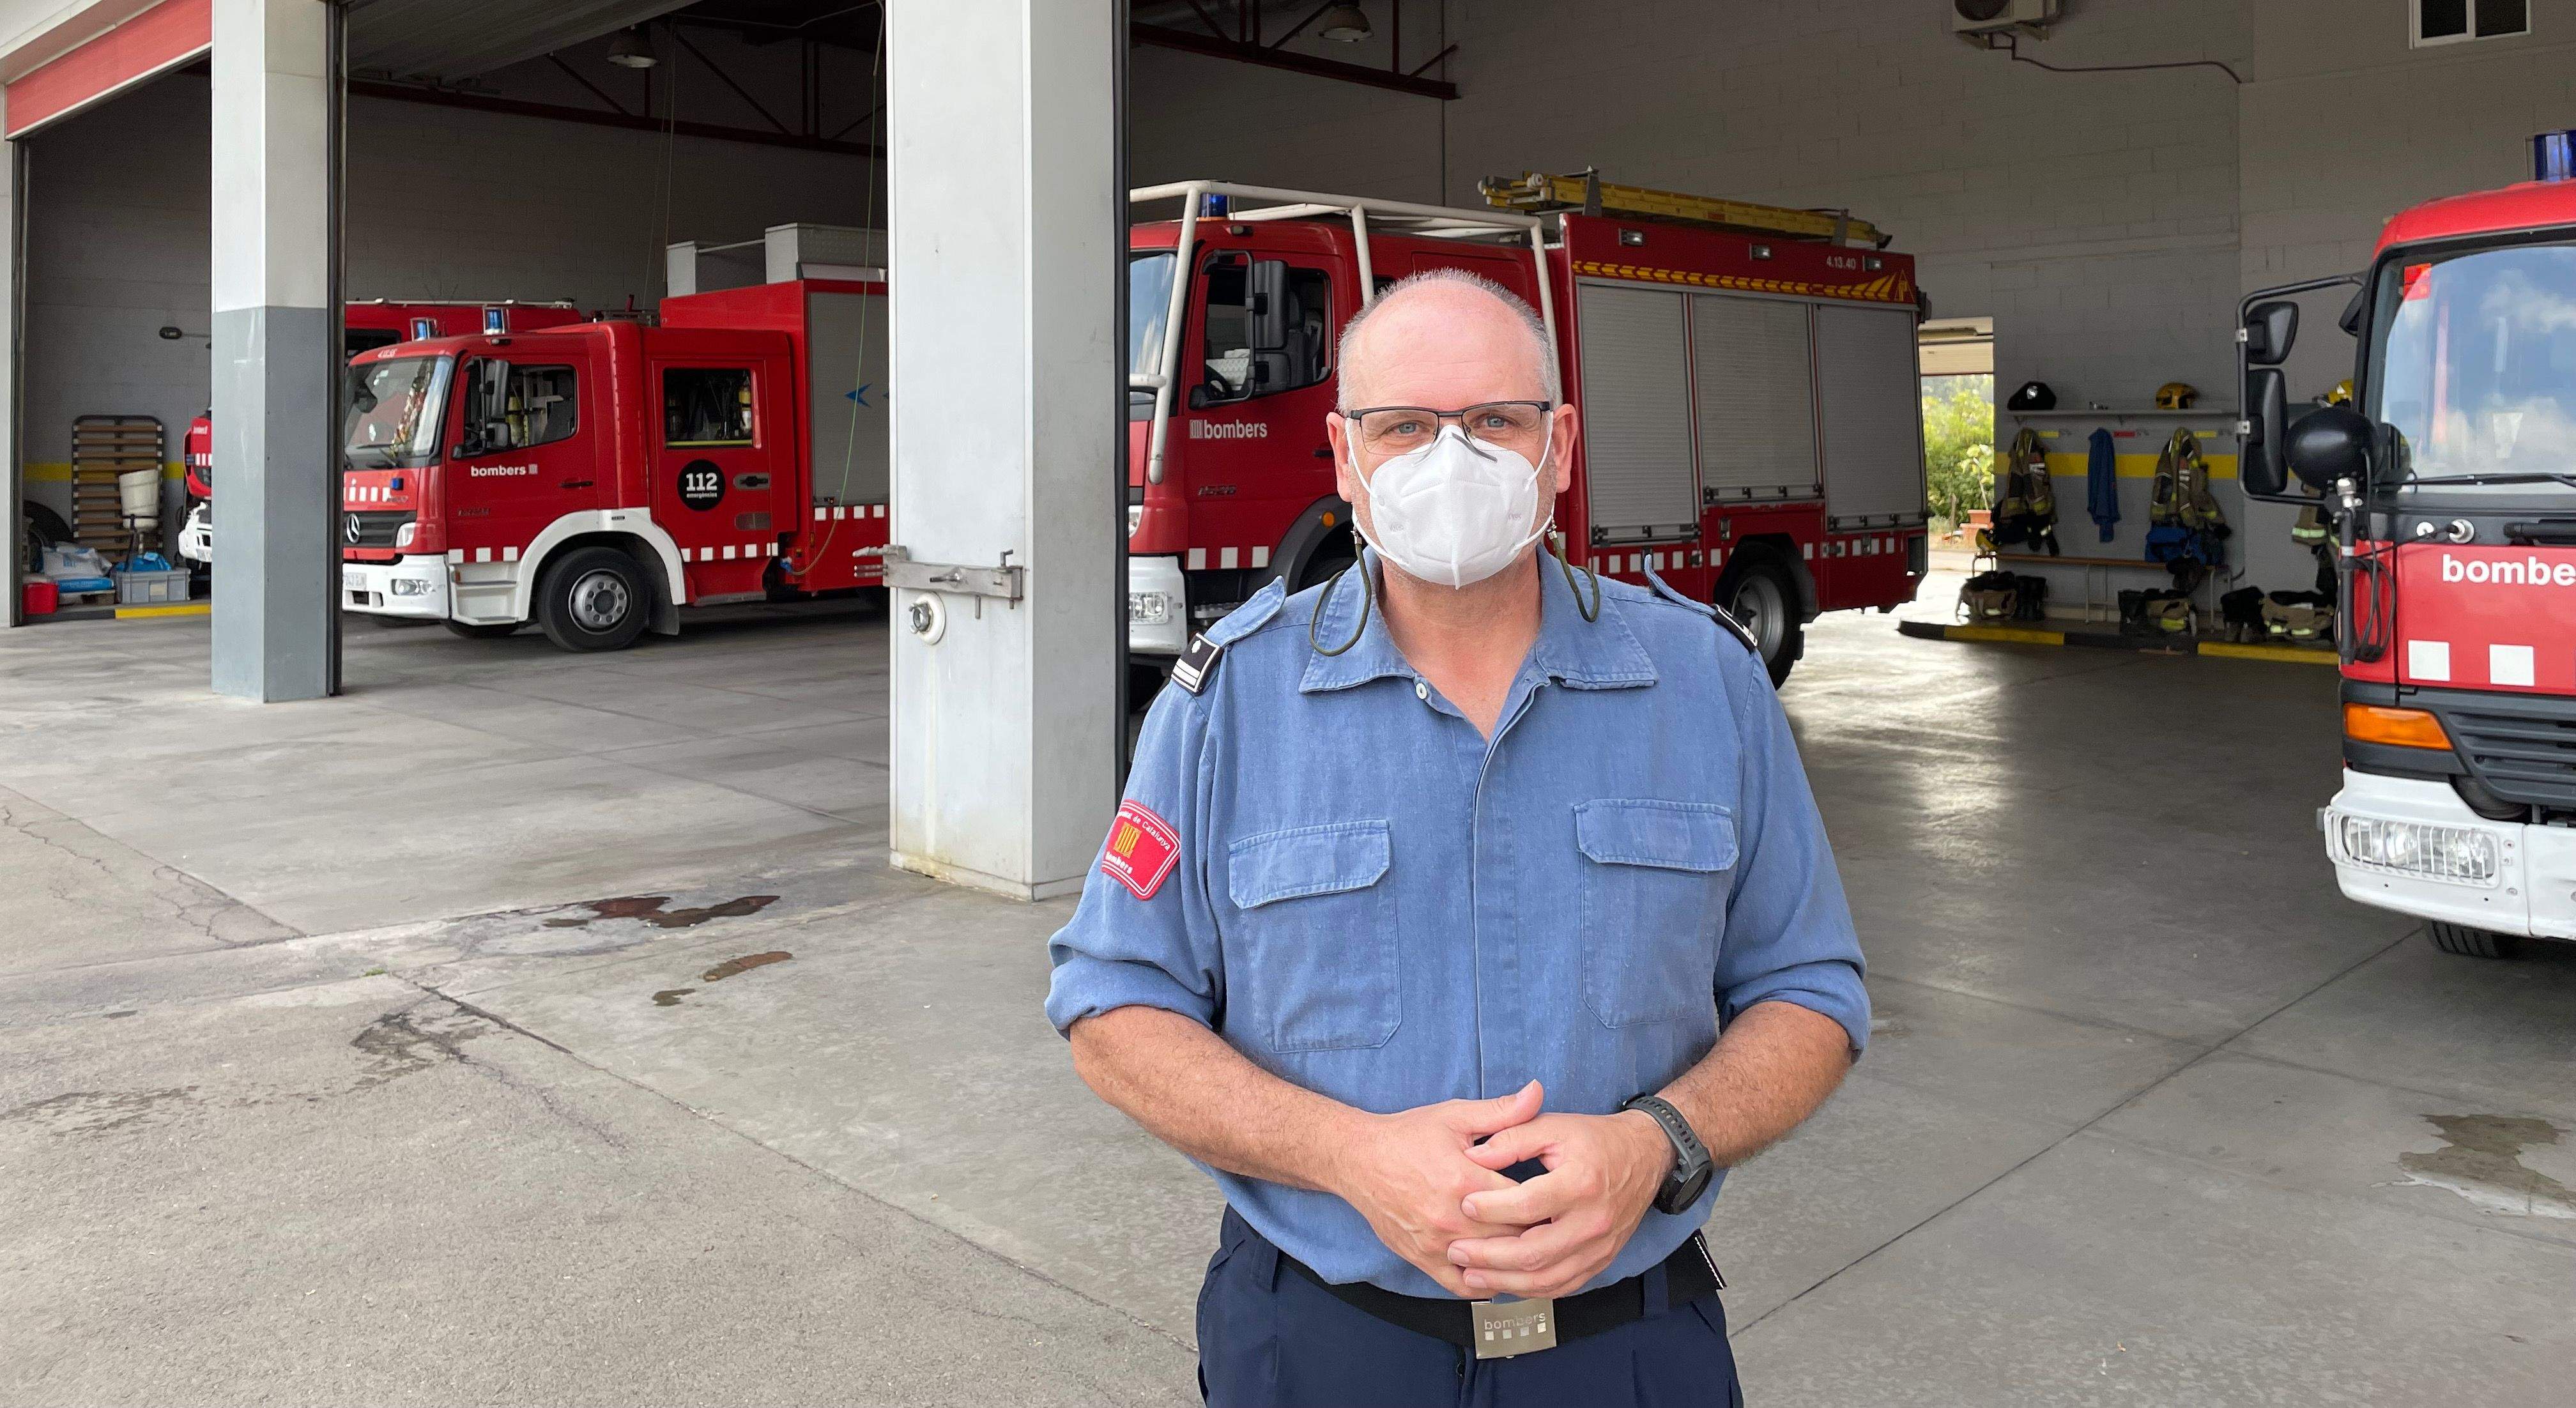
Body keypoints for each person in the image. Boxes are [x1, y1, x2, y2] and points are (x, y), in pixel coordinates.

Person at [1046, 269, 1868, 1407]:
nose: (1451, 459)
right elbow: (1112, 1007)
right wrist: (1347, 1156)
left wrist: (1659, 1144)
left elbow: (1811, 989)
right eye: (1404, 427)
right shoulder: (1227, 704)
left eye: (1493, 421)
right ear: (1345, 456)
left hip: (1628, 1346)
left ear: (1559, 445)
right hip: (1323, 1343)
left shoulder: (1708, 684)